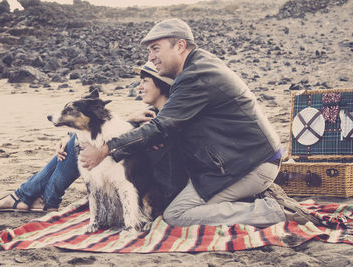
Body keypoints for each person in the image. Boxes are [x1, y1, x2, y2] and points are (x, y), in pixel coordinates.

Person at [79, 18, 287, 228]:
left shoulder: (196, 76)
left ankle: (268, 212)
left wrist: (106, 149)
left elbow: (161, 127)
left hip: (250, 165)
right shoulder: (197, 67)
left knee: (177, 214)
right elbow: (172, 112)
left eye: (155, 49)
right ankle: (249, 199)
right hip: (236, 161)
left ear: (179, 46)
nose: (151, 57)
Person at [0, 61, 186, 212]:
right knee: (75, 141)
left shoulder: (164, 121)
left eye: (145, 81)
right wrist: (73, 134)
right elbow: (115, 131)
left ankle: (33, 197)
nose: (139, 87)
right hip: (126, 179)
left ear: (162, 83)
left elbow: (130, 139)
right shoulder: (151, 113)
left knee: (79, 142)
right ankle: (36, 198)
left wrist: (77, 137)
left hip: (148, 191)